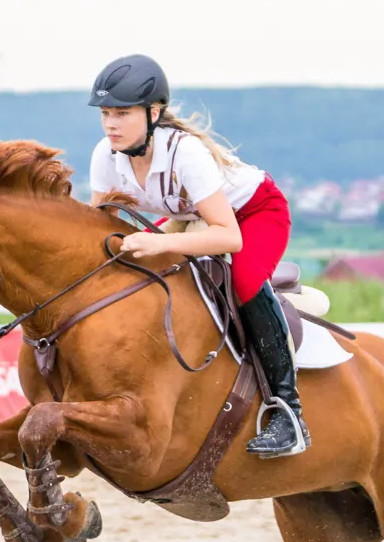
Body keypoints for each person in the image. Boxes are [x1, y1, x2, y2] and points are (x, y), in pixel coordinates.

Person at [86, 53, 308, 458]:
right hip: (191, 220)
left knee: (243, 280)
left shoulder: (184, 153)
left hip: (251, 216)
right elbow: (98, 225)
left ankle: (287, 414)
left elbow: (228, 237)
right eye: (105, 114)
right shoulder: (106, 155)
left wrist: (158, 242)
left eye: (121, 113)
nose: (110, 124)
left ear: (154, 112)